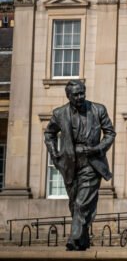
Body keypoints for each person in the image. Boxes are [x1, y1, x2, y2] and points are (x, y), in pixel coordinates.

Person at [43, 80, 115, 251]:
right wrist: (55, 154)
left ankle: (73, 238)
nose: (80, 97)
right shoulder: (59, 113)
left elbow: (110, 133)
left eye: (82, 93)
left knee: (82, 202)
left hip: (92, 162)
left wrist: (98, 148)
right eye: (76, 94)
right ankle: (82, 240)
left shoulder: (98, 109)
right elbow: (49, 133)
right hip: (70, 163)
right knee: (75, 203)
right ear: (68, 96)